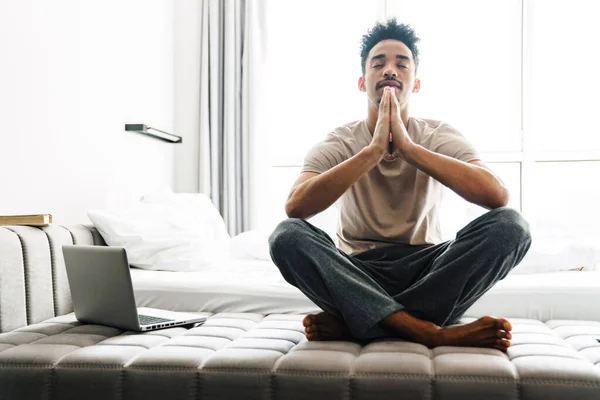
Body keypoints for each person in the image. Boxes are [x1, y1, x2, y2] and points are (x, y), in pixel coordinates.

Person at [268, 19, 531, 352]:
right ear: (363, 82)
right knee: (286, 236)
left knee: (512, 227)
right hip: (357, 270)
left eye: (401, 64)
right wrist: (373, 150)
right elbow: (296, 206)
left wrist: (408, 148)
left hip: (428, 269)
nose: (389, 70)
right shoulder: (340, 140)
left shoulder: (438, 135)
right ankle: (429, 331)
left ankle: (363, 322)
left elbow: (496, 196)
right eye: (379, 64)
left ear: (415, 84)